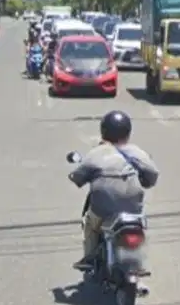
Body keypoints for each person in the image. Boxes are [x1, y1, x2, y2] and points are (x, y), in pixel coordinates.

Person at [67, 110, 159, 270]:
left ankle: (89, 258)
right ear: (128, 132)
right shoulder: (138, 152)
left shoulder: (96, 153)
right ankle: (138, 265)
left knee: (90, 224)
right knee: (140, 227)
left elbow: (77, 177)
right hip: (133, 209)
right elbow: (152, 175)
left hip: (103, 209)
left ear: (104, 131)